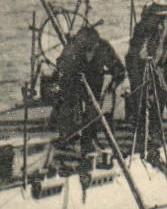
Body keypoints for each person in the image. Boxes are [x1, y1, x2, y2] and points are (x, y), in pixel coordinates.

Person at [49, 24, 124, 152]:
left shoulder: (103, 47)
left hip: (95, 81)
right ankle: (68, 137)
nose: (88, 52)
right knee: (68, 106)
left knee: (93, 109)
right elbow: (60, 66)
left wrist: (112, 86)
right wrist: (59, 85)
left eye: (91, 49)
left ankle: (90, 139)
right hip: (73, 80)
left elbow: (119, 69)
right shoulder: (73, 46)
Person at [127, 0, 167, 125]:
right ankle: (149, 125)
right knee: (155, 92)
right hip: (144, 61)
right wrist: (146, 60)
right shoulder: (145, 25)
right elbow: (138, 48)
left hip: (162, 56)